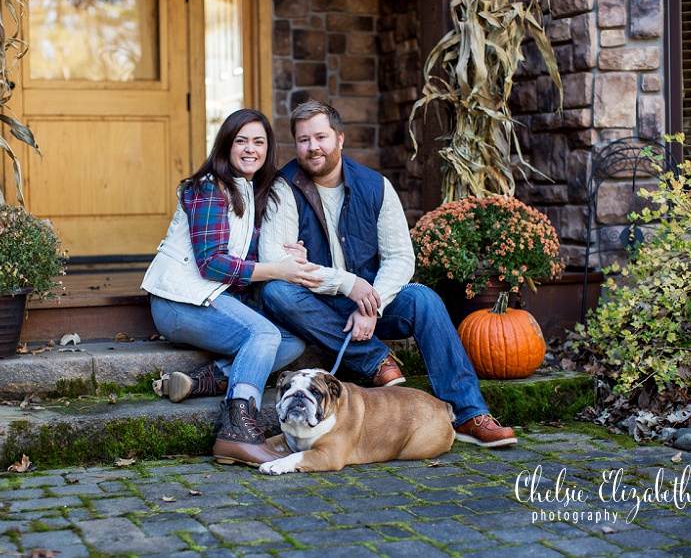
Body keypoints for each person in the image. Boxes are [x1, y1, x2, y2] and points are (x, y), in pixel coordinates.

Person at [258, 100, 517, 448]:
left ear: (340, 139)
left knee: (423, 298)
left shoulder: (375, 186)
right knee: (277, 292)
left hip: (372, 300)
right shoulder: (283, 187)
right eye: (303, 140)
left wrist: (371, 306)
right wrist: (347, 284)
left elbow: (399, 258)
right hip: (314, 305)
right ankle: (376, 360)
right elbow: (278, 260)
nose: (312, 147)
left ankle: (469, 413)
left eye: (321, 137)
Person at [141, 108, 323, 466]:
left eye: (259, 142)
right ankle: (237, 429)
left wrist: (292, 256)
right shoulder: (208, 188)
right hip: (177, 301)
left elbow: (248, 259)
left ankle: (206, 381)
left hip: (209, 299)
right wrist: (279, 271)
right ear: (226, 146)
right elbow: (212, 262)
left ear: (268, 149)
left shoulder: (250, 191)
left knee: (292, 340)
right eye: (241, 141)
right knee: (264, 336)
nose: (250, 149)